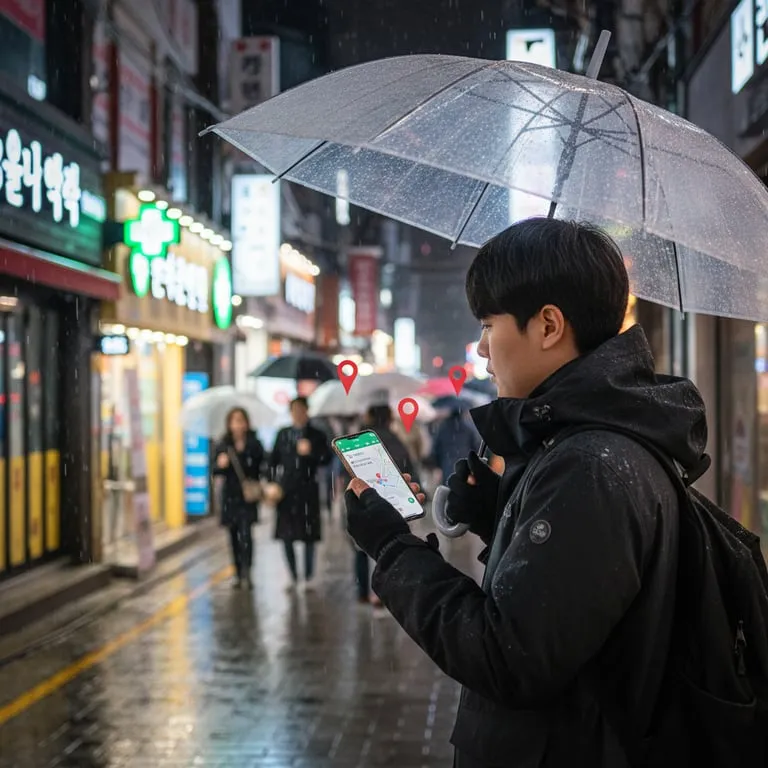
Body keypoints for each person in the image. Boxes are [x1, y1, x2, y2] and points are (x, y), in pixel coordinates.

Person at [344, 218, 708, 767]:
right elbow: (574, 597)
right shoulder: (597, 442)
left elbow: (506, 655)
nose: (483, 348)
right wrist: (500, 513)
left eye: (490, 324)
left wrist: (392, 549)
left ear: (548, 325)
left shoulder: (591, 464)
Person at [342, 404, 415, 605]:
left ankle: (362, 591)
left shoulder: (359, 443)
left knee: (360, 548)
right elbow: (410, 469)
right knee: (387, 548)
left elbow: (344, 475)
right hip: (392, 506)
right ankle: (383, 593)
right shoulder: (396, 440)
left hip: (362, 503)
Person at [270, 396, 332, 590]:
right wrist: (272, 483)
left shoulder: (316, 434)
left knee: (309, 536)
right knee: (286, 536)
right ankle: (293, 576)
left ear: (306, 411)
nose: (297, 413)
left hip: (308, 490)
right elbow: (273, 460)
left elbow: (326, 459)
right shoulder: (283, 434)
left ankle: (308, 576)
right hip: (286, 491)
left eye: (301, 409)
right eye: (294, 410)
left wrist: (311, 452)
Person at [212, 407, 265, 590]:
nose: (238, 424)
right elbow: (214, 470)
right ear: (229, 424)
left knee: (246, 534)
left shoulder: (254, 443)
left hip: (247, 496)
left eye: (241, 420)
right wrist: (221, 464)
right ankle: (237, 571)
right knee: (233, 535)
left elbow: (262, 466)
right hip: (230, 496)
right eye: (234, 421)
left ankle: (247, 571)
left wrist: (248, 457)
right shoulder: (223, 444)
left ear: (246, 423)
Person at [430, 404, 481, 483]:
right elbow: (476, 447)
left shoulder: (443, 428)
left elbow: (436, 449)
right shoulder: (469, 428)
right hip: (465, 463)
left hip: (447, 463)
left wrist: (437, 465)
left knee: (449, 486)